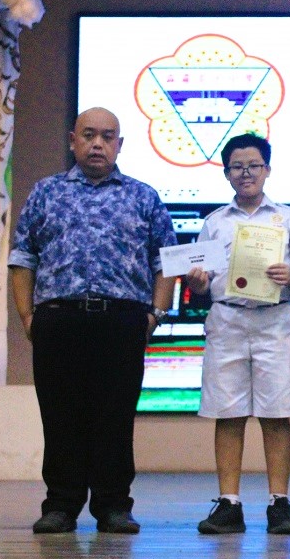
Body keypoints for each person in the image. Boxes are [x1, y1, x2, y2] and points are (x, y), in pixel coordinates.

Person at [9, 107, 177, 534]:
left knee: (115, 418)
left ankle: (114, 505)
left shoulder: (143, 196)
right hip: (58, 320)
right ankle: (60, 505)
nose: (97, 144)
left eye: (107, 136)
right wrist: (27, 315)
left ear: (120, 144)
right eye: (88, 135)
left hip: (122, 321)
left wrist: (155, 314)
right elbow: (23, 258)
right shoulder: (45, 193)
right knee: (59, 416)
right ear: (73, 141)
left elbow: (166, 261)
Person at [185, 133, 290, 535]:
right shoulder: (215, 222)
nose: (246, 173)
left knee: (277, 414)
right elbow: (201, 280)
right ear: (227, 173)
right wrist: (197, 282)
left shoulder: (289, 218)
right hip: (227, 320)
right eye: (237, 167)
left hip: (274, 320)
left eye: (253, 166)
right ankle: (229, 503)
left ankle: (279, 503)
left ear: (267, 170)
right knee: (228, 414)